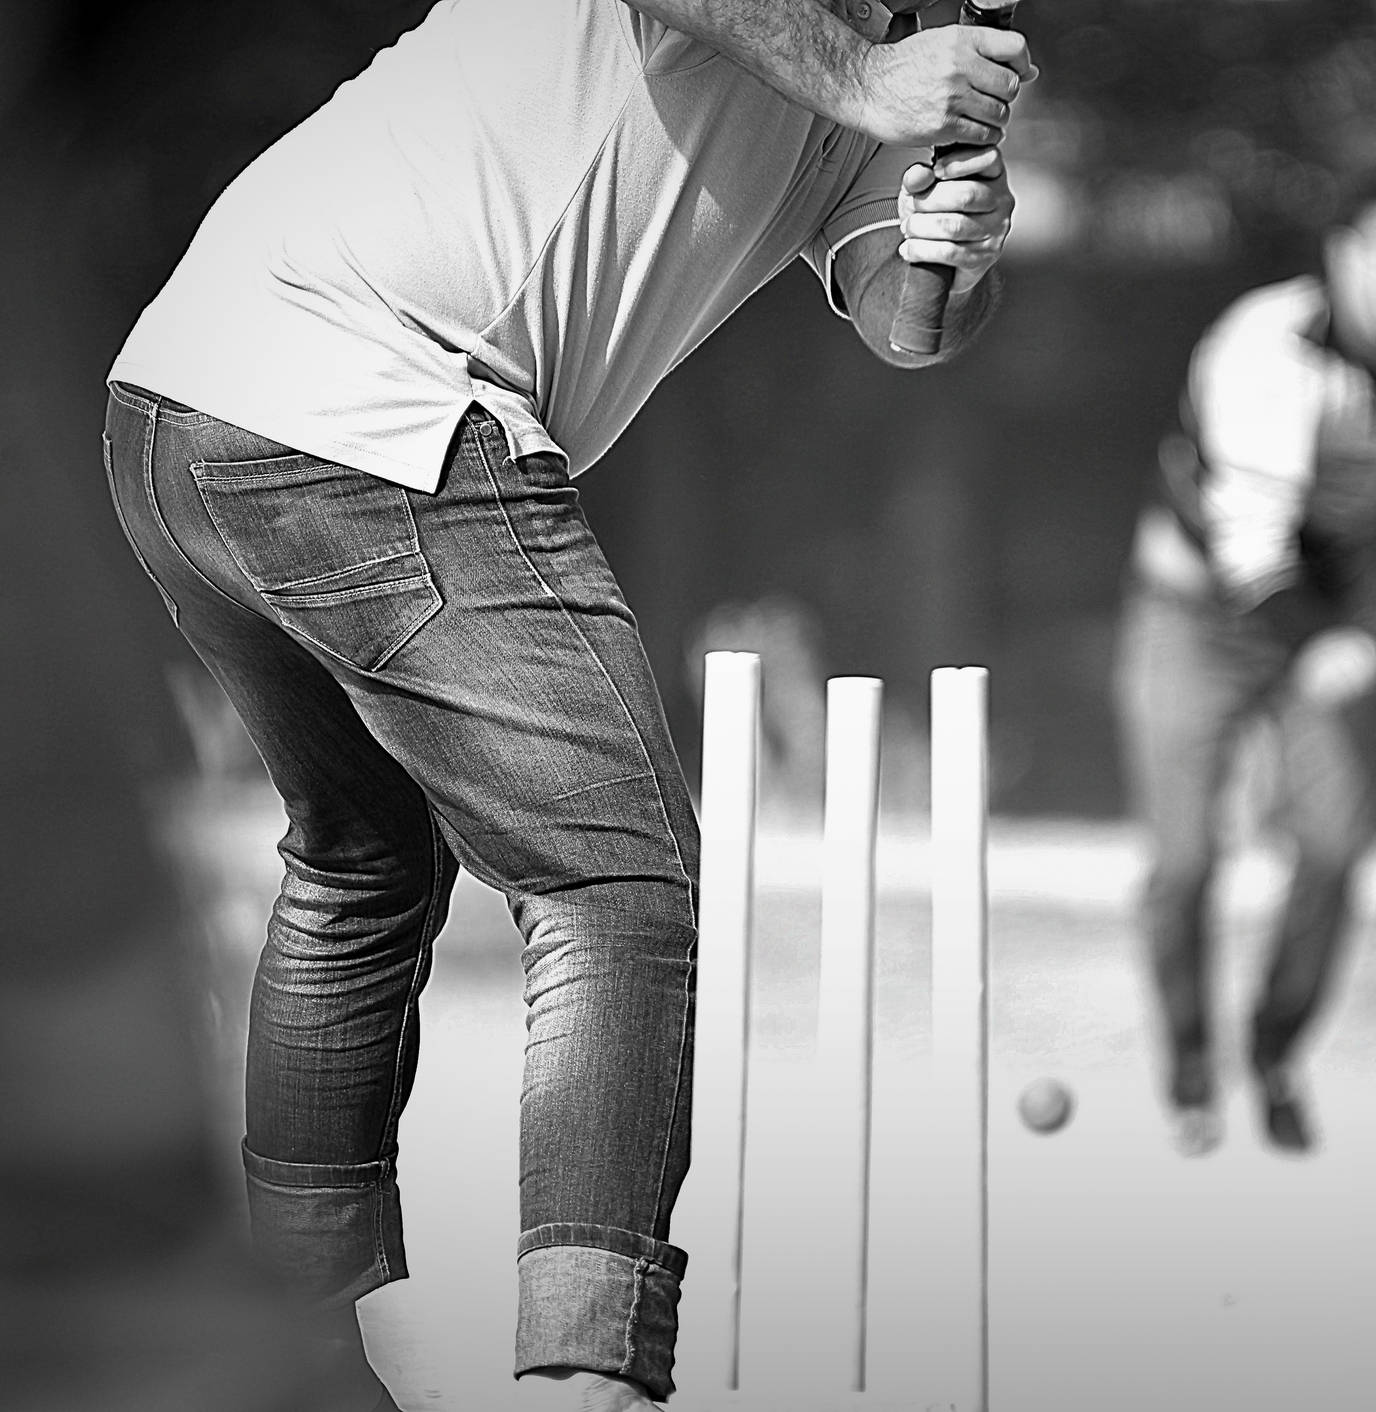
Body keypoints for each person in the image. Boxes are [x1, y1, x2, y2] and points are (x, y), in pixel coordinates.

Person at [98, 1, 1033, 1408]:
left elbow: (909, 323)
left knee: (364, 858)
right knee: (617, 880)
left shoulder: (856, 85)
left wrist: (953, 250)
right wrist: (869, 75)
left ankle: (288, 1343)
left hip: (196, 401)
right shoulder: (834, 50)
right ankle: (581, 1381)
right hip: (374, 397)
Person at [1113, 167, 1376, 1159]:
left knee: (1339, 844)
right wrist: (1326, 637)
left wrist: (1349, 609)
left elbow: (1346, 515)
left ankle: (1272, 1049)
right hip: (1196, 612)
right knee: (1183, 862)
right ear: (1343, 253)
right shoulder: (1262, 346)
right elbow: (1249, 539)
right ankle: (1191, 1066)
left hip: (1313, 607)